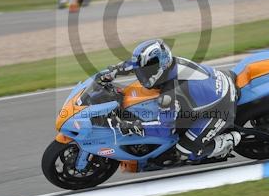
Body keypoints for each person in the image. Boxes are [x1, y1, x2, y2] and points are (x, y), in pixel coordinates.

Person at [96, 39, 241, 161]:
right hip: (218, 83)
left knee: (185, 152)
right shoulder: (168, 65)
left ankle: (228, 140)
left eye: (146, 72)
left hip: (221, 108)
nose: (142, 75)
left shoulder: (170, 94)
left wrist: (130, 126)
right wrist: (113, 71)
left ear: (160, 66)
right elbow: (136, 64)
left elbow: (164, 129)